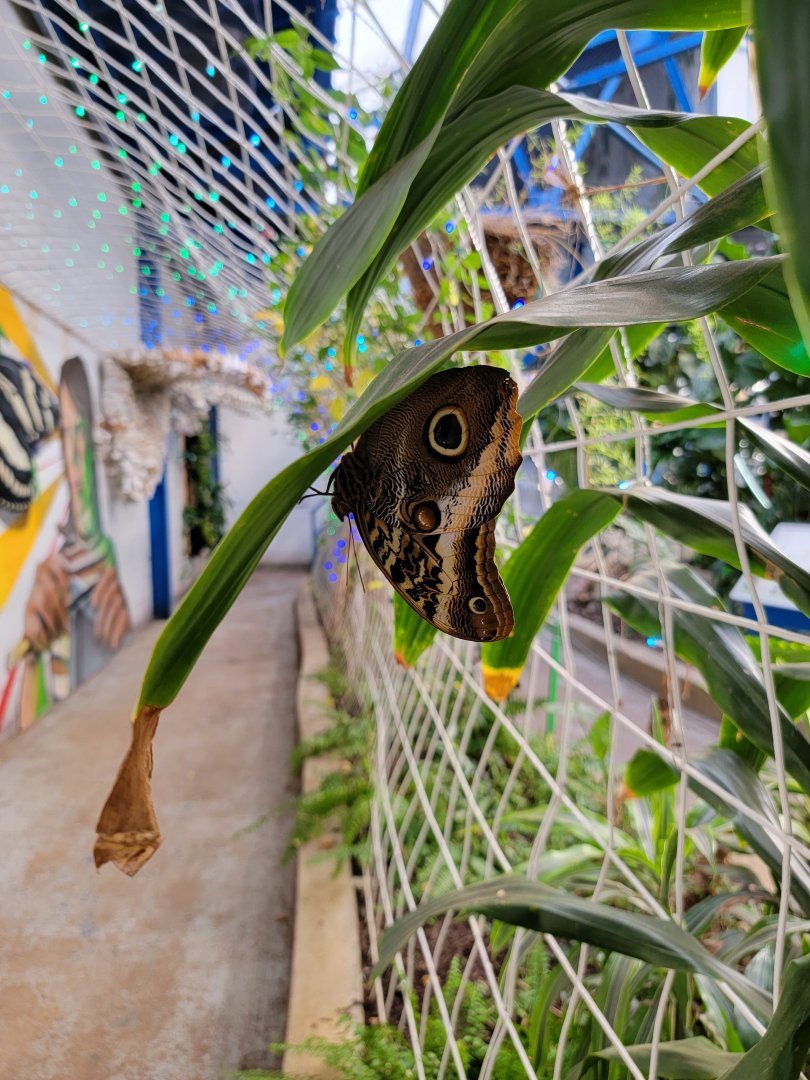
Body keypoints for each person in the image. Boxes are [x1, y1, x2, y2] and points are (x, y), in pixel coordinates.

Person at [15, 357, 129, 730]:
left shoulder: (102, 555)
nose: (76, 459)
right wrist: (33, 654)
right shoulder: (54, 570)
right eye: (67, 435)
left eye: (82, 436)